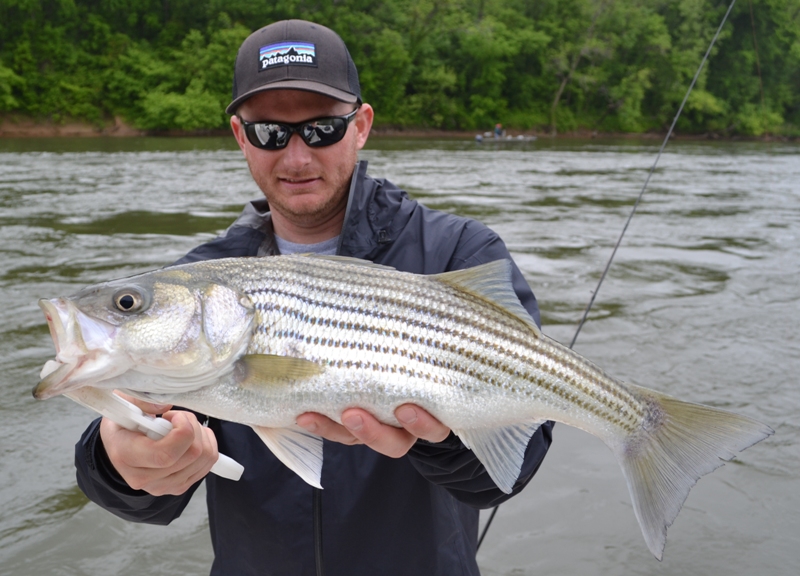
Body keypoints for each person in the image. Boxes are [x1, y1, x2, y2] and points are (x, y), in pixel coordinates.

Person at [75, 19, 553, 576]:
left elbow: (509, 472)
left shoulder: (459, 251)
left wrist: (439, 441)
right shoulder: (199, 282)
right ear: (239, 136)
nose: (297, 158)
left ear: (362, 125)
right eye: (270, 134)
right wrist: (121, 463)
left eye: (322, 129)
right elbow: (146, 489)